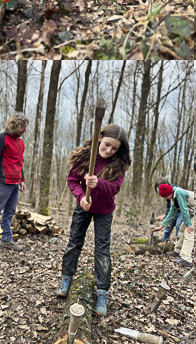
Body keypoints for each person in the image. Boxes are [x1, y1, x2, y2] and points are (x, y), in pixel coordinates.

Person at [56, 125, 130, 316]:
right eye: (106, 145)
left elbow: (114, 189)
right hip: (83, 207)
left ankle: (102, 293)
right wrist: (81, 197)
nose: (109, 150)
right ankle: (66, 279)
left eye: (114, 148)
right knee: (74, 242)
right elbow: (72, 180)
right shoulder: (85, 158)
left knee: (102, 250)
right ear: (100, 138)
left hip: (104, 211)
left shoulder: (118, 163)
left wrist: (98, 183)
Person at [0, 113, 29, 254]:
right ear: (15, 125)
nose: (25, 130)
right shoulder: (2, 138)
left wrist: (22, 179)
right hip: (2, 182)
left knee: (9, 213)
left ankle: (6, 240)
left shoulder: (20, 143)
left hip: (15, 183)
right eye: (23, 127)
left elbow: (20, 163)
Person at [156, 183, 195, 267]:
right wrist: (161, 226)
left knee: (189, 233)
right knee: (181, 230)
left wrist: (188, 225)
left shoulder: (179, 193)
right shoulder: (173, 198)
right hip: (190, 213)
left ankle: (186, 259)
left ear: (167, 194)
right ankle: (177, 251)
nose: (165, 198)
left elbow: (184, 209)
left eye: (165, 196)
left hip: (195, 212)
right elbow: (171, 214)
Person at [154, 177, 183, 241]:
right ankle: (164, 241)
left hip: (181, 211)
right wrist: (165, 215)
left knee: (179, 225)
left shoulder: (176, 191)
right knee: (168, 226)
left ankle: (179, 243)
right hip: (173, 211)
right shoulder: (167, 195)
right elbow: (169, 206)